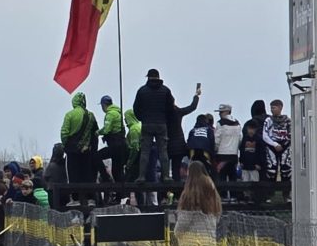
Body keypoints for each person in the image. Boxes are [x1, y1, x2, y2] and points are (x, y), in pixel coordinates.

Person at [131, 69, 199, 206]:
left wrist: (143, 118)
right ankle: (167, 176)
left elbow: (136, 109)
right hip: (161, 124)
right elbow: (170, 108)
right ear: (158, 77)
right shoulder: (165, 90)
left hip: (147, 123)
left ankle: (141, 176)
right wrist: (163, 117)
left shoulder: (142, 91)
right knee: (163, 151)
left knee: (145, 151)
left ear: (148, 77)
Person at [59, 92, 100, 192]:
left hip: (72, 151)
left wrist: (65, 145)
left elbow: (64, 132)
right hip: (86, 151)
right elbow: (95, 133)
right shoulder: (91, 115)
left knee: (73, 175)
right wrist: (93, 149)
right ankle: (89, 196)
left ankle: (75, 196)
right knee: (86, 175)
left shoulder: (70, 115)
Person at [265, 100, 292, 195]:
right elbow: (265, 135)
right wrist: (274, 144)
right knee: (271, 170)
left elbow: (291, 134)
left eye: (274, 108)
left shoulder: (287, 120)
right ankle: (270, 195)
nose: (272, 110)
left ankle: (286, 194)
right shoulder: (268, 120)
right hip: (271, 147)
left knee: (286, 169)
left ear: (280, 107)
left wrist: (283, 145)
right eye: (271, 108)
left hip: (285, 146)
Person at [99, 96, 128, 184]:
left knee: (96, 156)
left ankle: (105, 177)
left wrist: (97, 132)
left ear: (104, 105)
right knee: (117, 171)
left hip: (115, 146)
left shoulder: (110, 114)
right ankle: (122, 191)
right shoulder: (117, 112)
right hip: (121, 145)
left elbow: (106, 129)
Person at [214, 104, 242, 182]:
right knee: (233, 179)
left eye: (221, 112)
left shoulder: (220, 123)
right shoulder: (237, 123)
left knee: (221, 180)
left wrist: (215, 149)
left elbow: (216, 139)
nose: (219, 114)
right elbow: (240, 139)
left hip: (222, 156)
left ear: (227, 111)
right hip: (234, 156)